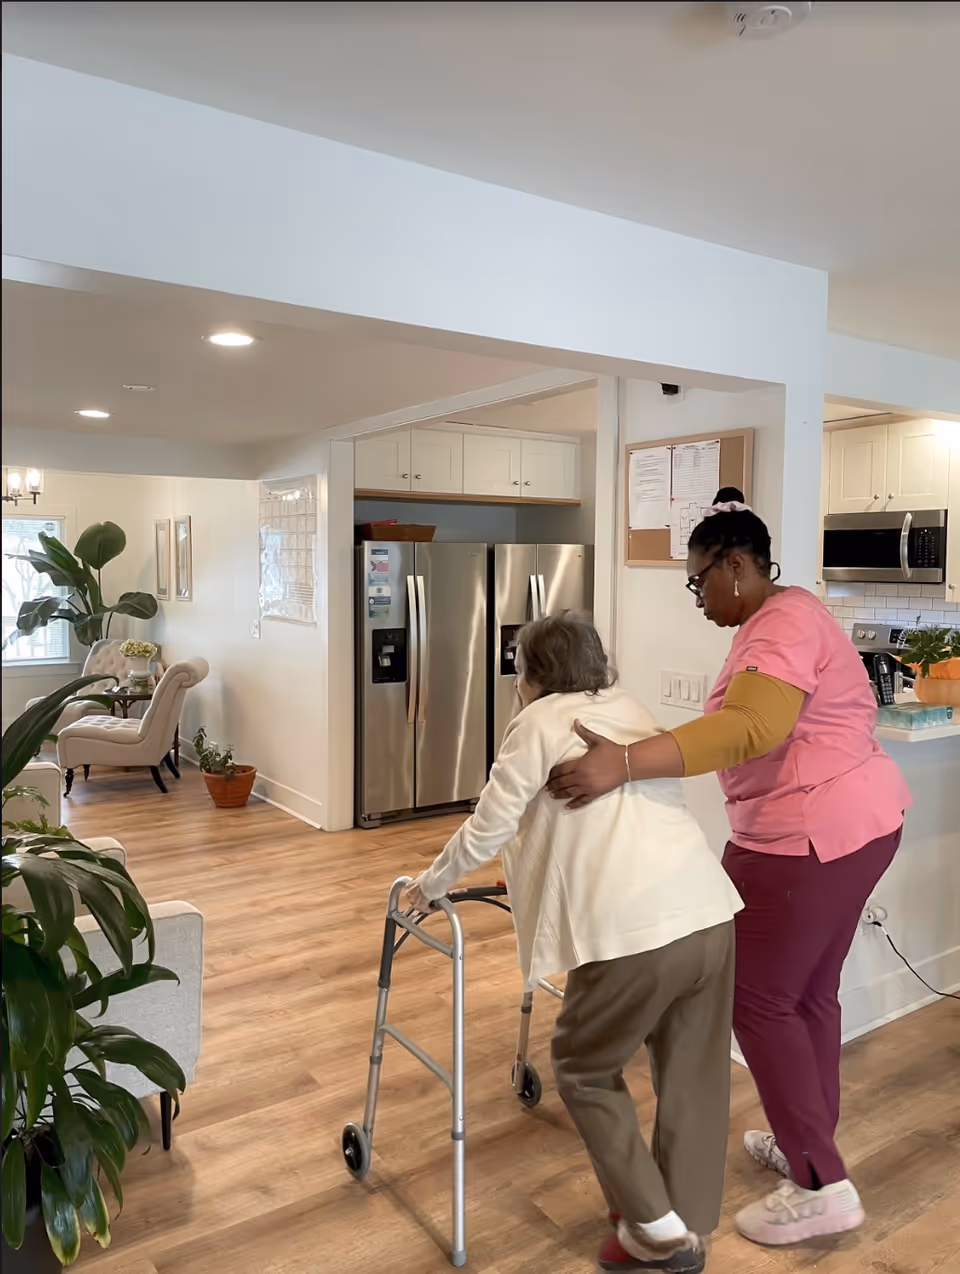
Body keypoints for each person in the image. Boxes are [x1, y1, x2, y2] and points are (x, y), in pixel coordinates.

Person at [547, 489, 911, 1247]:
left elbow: (750, 728)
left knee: (759, 1001)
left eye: (699, 580)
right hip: (860, 827)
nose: (698, 597)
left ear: (736, 565)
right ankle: (805, 1140)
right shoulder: (791, 615)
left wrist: (623, 763)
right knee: (806, 996)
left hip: (806, 840)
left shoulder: (779, 625)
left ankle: (820, 1184)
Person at [405, 613, 743, 1273]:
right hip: (708, 911)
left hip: (635, 931)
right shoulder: (630, 707)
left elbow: (488, 825)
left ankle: (657, 1229)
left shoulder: (535, 722)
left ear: (532, 674)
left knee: (583, 1064)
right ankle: (683, 1220)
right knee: (694, 1076)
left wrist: (428, 885)